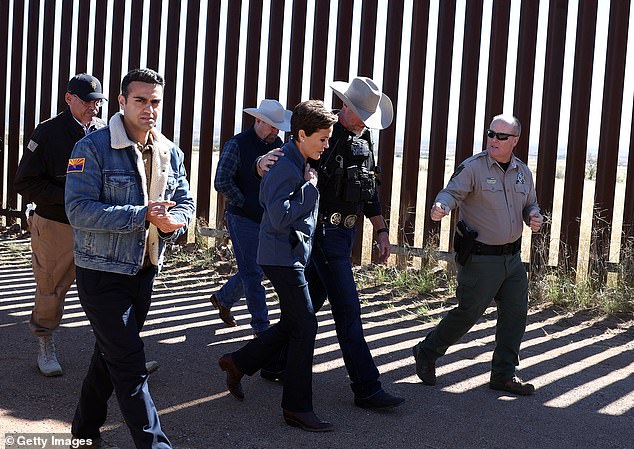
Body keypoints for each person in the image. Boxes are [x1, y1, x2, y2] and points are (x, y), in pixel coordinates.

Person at [65, 68, 195, 448]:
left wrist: (175, 221)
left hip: (144, 269)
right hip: (100, 271)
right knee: (129, 362)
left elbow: (184, 201)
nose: (149, 109)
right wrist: (141, 214)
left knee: (109, 355)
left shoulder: (170, 151)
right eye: (140, 100)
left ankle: (83, 433)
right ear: (121, 102)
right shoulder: (91, 148)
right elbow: (79, 210)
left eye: (155, 101)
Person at [258, 77, 405, 410]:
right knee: (348, 310)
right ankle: (366, 387)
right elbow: (283, 161)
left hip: (345, 236)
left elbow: (369, 190)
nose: (366, 120)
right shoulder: (321, 136)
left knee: (303, 311)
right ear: (347, 107)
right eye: (362, 112)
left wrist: (381, 230)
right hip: (323, 236)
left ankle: (266, 361)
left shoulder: (364, 141)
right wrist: (257, 164)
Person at [218, 100, 338, 432]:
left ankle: (239, 362)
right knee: (306, 326)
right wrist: (309, 190)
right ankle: (297, 408)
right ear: (301, 134)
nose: (326, 146)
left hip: (289, 255)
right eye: (323, 139)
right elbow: (278, 214)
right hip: (280, 258)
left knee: (293, 324)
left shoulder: (297, 159)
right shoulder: (286, 164)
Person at [412, 114, 543, 396]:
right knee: (468, 312)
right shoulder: (473, 167)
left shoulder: (523, 171)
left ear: (515, 141)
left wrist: (533, 215)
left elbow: (530, 203)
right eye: (491, 134)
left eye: (501, 136)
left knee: (516, 314)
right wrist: (441, 206)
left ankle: (503, 375)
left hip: (512, 260)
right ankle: (427, 351)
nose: (494, 140)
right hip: (482, 258)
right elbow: (450, 193)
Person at [14, 73, 107, 377]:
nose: (93, 107)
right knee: (51, 287)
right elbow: (24, 182)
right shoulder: (48, 133)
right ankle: (45, 342)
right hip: (56, 225)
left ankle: (115, 352)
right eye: (87, 101)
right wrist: (70, 197)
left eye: (97, 101)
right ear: (69, 99)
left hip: (97, 226)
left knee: (107, 288)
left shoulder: (104, 132)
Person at [211, 99, 291, 334]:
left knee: (260, 267)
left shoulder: (277, 144)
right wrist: (245, 203)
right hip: (241, 217)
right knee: (253, 273)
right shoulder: (237, 144)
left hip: (266, 218)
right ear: (257, 120)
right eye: (271, 125)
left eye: (278, 126)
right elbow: (221, 181)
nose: (275, 131)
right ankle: (261, 329)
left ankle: (224, 298)